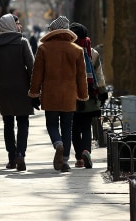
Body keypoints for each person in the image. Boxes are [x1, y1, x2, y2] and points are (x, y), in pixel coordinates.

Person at [28, 16, 88, 172]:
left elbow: (37, 74)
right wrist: (82, 96)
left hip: (50, 95)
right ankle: (65, 161)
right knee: (67, 128)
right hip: (69, 96)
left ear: (53, 31)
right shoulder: (77, 50)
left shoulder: (44, 49)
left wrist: (34, 93)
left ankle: (57, 143)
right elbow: (81, 76)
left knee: (52, 124)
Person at [0, 13, 36, 171]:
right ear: (11, 25)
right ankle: (20, 153)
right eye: (17, 23)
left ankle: (11, 158)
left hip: (3, 90)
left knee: (8, 123)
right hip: (22, 89)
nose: (19, 26)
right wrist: (35, 89)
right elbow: (32, 67)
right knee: (23, 122)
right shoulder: (22, 42)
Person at [69, 22, 108, 169]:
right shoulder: (93, 53)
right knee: (86, 127)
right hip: (89, 96)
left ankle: (79, 157)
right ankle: (87, 151)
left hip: (72, 97)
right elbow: (99, 75)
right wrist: (103, 93)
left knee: (74, 128)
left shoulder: (69, 52)